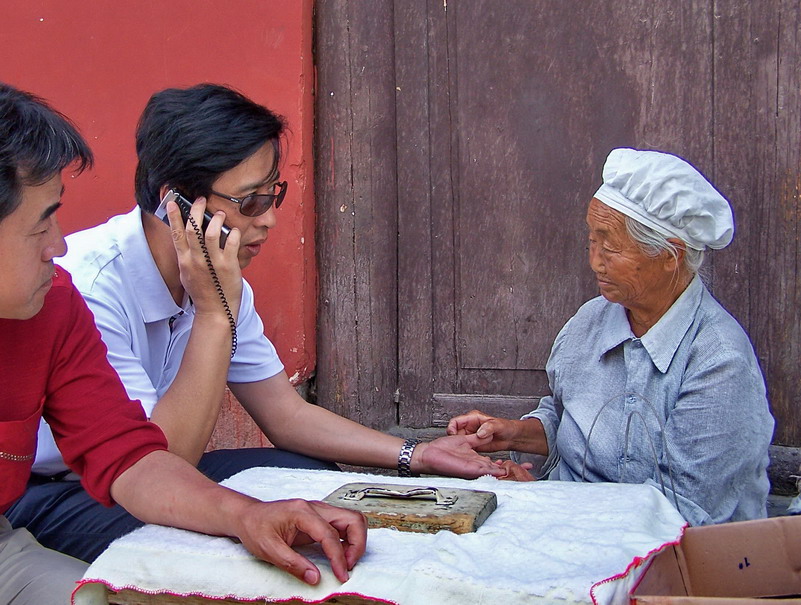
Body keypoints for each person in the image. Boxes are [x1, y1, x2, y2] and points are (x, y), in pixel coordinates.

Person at [7, 83, 502, 564]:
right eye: (251, 202)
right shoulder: (82, 286)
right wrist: (212, 314)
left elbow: (285, 416)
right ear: (176, 206)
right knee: (210, 546)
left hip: (149, 471)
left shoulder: (221, 279)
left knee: (310, 479)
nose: (268, 221)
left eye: (273, 195)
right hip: (55, 493)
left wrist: (416, 455)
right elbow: (158, 456)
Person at [0, 82, 368, 604]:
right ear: (179, 203)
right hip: (51, 499)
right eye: (41, 226)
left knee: (300, 483)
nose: (58, 245)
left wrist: (247, 516)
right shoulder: (92, 278)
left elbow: (130, 457)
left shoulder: (54, 306)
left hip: (13, 544)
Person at [447, 148, 775, 526]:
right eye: (592, 241)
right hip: (569, 530)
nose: (595, 261)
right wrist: (515, 434)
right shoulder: (590, 321)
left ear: (671, 255)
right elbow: (567, 418)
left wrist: (542, 501)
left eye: (611, 247)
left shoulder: (719, 359)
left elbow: (681, 512)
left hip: (678, 560)